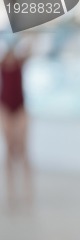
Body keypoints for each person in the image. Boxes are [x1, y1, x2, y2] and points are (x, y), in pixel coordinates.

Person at [0, 43, 32, 210]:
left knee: (23, 150)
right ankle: (10, 192)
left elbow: (31, 48)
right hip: (5, 109)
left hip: (20, 109)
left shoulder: (20, 61)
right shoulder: (2, 63)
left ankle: (27, 191)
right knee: (9, 150)